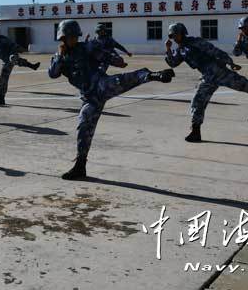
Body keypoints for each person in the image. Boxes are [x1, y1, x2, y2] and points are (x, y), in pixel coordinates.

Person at [50, 20, 175, 180]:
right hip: (89, 98)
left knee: (118, 81)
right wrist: (60, 56)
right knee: (84, 124)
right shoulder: (59, 57)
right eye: (70, 37)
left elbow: (105, 55)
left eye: (75, 36)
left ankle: (150, 75)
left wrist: (118, 61)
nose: (73, 39)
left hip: (100, 85)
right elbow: (53, 74)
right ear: (62, 38)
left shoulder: (86, 48)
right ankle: (80, 166)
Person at [166, 22, 248, 142]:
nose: (174, 38)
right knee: (198, 101)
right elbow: (173, 63)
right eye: (172, 36)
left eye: (176, 35)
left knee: (247, 86)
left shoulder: (196, 42)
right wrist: (168, 49)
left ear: (182, 33)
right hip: (207, 76)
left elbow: (214, 50)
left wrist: (230, 62)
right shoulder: (180, 50)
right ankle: (195, 132)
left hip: (218, 71)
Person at [0, 24, 41, 106]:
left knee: (11, 61)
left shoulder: (3, 39)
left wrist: (19, 48)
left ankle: (1, 99)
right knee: (7, 73)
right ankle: (1, 99)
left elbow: (13, 45)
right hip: (5, 60)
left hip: (10, 56)